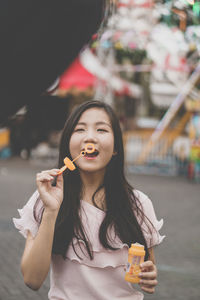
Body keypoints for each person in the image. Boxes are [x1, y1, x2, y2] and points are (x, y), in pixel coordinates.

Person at [13, 100, 165, 299]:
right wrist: (51, 211)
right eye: (80, 129)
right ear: (68, 144)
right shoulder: (46, 197)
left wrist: (149, 276)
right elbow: (32, 280)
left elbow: (147, 269)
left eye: (101, 130)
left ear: (116, 148)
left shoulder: (139, 204)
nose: (90, 137)